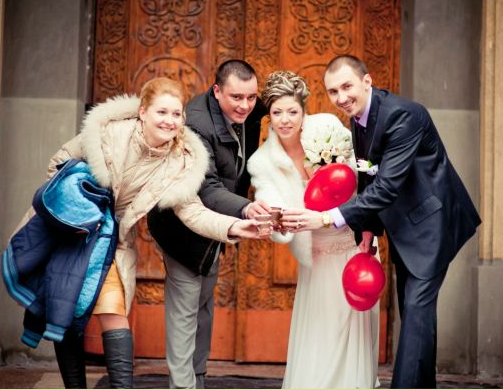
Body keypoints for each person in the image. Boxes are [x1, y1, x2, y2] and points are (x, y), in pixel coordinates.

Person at [41, 77, 265, 389]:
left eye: (176, 114)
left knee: (113, 310)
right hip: (71, 231)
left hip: (113, 240)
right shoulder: (109, 133)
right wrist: (77, 212)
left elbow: (192, 211)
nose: (169, 121)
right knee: (66, 311)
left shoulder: (180, 159)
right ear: (143, 112)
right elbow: (58, 164)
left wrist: (234, 226)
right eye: (162, 112)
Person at [282, 55, 482, 389]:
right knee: (416, 315)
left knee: (415, 312)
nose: (341, 97)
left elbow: (387, 186)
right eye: (333, 91)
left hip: (431, 225)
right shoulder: (358, 118)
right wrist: (368, 228)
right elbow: (367, 177)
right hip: (404, 227)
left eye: (347, 86)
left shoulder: (404, 115)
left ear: (367, 81)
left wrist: (327, 217)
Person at [246, 70, 379, 389]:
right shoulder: (262, 162)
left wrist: (367, 225)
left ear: (303, 110)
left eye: (292, 111)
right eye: (277, 112)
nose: (285, 120)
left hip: (352, 240)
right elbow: (270, 200)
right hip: (317, 253)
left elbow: (362, 172)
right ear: (269, 116)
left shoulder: (327, 128)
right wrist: (274, 218)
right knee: (322, 331)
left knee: (354, 327)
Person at [147, 60, 269, 389]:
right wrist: (246, 208)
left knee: (202, 307)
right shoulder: (197, 125)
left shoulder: (248, 109)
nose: (245, 105)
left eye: (251, 97)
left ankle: (197, 378)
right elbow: (208, 187)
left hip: (217, 225)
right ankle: (183, 385)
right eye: (236, 97)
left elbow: (274, 102)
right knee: (185, 312)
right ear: (217, 91)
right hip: (182, 228)